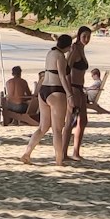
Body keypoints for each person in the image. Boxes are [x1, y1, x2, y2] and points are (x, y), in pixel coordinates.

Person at [20, 34, 76, 165]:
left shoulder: (50, 53)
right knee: (57, 129)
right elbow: (63, 76)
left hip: (44, 90)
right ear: (68, 46)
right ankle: (58, 161)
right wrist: (70, 95)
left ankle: (27, 153)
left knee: (43, 127)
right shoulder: (60, 57)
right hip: (56, 91)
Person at [66, 25, 94, 158]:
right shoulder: (75, 49)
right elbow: (67, 68)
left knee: (83, 121)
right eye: (84, 36)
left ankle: (76, 152)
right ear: (79, 36)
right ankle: (64, 153)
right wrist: (68, 90)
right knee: (70, 122)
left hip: (80, 88)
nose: (86, 39)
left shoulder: (81, 49)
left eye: (88, 36)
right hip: (73, 87)